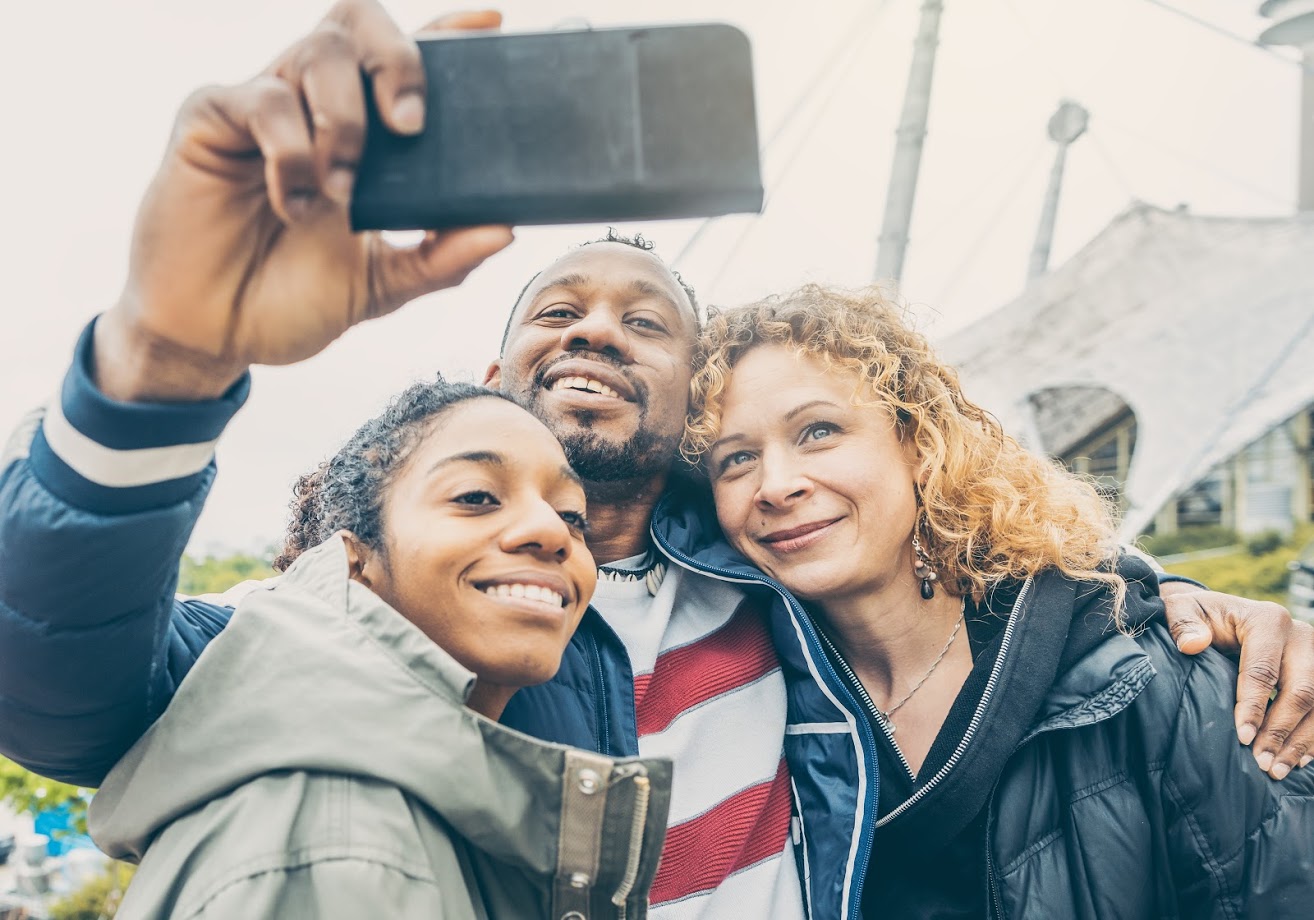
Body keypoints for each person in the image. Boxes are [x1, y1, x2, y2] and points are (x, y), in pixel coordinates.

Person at [0, 2, 1312, 918]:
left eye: (646, 321)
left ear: (694, 406)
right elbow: (58, 694)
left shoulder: (778, 584)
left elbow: (980, 583)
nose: (592, 329)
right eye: (551, 311)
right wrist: (159, 359)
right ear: (494, 377)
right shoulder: (375, 618)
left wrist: (1160, 601)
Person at [678, 283, 1314, 918]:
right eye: (736, 459)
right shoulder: (754, 705)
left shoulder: (1151, 673)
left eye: (818, 431)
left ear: (919, 446)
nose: (777, 485)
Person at [89, 377, 671, 919]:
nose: (550, 531)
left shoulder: (420, 808)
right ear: (354, 560)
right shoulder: (336, 841)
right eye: (476, 496)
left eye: (573, 516)